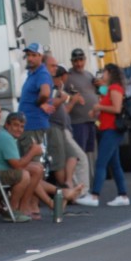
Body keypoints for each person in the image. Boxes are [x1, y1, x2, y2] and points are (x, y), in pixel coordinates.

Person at [0, 112, 45, 222]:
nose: (19, 129)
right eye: (15, 125)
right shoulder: (5, 138)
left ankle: (22, 207)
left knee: (37, 168)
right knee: (23, 175)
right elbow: (18, 165)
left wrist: (32, 153)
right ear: (7, 125)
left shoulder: (6, 136)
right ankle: (12, 210)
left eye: (22, 126)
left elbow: (17, 163)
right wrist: (33, 152)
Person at [76, 63, 130, 207]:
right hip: (107, 128)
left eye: (104, 73)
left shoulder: (115, 88)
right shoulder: (109, 89)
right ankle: (122, 195)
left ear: (110, 74)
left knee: (101, 163)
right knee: (115, 164)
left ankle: (94, 195)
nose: (102, 75)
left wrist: (99, 107)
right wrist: (96, 110)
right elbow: (103, 94)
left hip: (112, 130)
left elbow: (116, 109)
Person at [46, 58, 90, 197]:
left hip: (67, 127)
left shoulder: (61, 88)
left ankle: (71, 185)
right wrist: (70, 100)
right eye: (60, 75)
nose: (63, 78)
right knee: (67, 159)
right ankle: (75, 191)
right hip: (59, 127)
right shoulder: (53, 89)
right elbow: (56, 107)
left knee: (74, 156)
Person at [17, 42, 54, 166]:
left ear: (41, 57)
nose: (30, 58)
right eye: (28, 55)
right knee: (31, 164)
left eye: (33, 55)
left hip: (33, 125)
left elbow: (45, 93)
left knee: (33, 165)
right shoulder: (32, 73)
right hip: (30, 125)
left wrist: (39, 103)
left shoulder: (41, 73)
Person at [67, 48, 100, 184]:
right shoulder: (68, 77)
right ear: (72, 61)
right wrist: (72, 98)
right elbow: (61, 94)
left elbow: (100, 91)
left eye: (81, 60)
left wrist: (100, 86)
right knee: (79, 154)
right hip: (77, 121)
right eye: (76, 61)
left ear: (85, 60)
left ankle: (89, 180)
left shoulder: (89, 75)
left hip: (91, 121)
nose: (79, 63)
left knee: (88, 152)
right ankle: (79, 184)